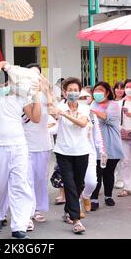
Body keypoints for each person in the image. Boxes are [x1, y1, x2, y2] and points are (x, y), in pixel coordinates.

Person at [0, 61, 41, 239]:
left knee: (20, 185)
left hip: (19, 146)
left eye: (5, 83)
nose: (1, 86)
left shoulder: (20, 98)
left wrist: (37, 95)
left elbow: (36, 118)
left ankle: (19, 226)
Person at [50, 77, 91, 234]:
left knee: (79, 183)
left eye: (76, 90)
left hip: (81, 151)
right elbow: (54, 114)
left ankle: (69, 209)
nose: (73, 92)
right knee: (69, 184)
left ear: (79, 91)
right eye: (70, 90)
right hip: (63, 151)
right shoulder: (59, 106)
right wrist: (58, 112)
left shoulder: (85, 107)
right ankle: (76, 220)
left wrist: (65, 114)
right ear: (64, 92)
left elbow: (82, 123)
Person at [23, 63, 53, 229]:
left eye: (37, 75)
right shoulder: (20, 95)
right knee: (26, 180)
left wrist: (45, 89)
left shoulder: (45, 95)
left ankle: (38, 209)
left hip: (42, 144)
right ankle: (27, 212)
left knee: (40, 179)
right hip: (24, 144)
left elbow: (53, 108)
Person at [90, 81, 123, 210]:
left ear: (107, 92)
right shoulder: (92, 104)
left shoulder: (113, 105)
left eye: (100, 90)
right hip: (97, 144)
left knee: (109, 172)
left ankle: (108, 196)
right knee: (96, 173)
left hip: (111, 143)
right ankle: (93, 199)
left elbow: (106, 117)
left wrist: (91, 110)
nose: (97, 93)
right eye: (95, 90)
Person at [79, 89, 105, 216]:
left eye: (86, 97)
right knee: (74, 182)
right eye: (81, 97)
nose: (84, 100)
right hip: (73, 152)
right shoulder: (68, 112)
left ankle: (86, 196)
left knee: (91, 182)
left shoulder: (91, 115)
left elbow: (97, 134)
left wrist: (101, 149)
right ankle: (75, 209)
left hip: (89, 152)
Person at [113, 81, 126, 190]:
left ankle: (121, 179)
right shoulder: (111, 101)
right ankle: (114, 178)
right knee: (112, 156)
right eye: (117, 88)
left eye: (122, 88)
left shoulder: (126, 101)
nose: (119, 90)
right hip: (112, 132)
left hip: (123, 131)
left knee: (121, 157)